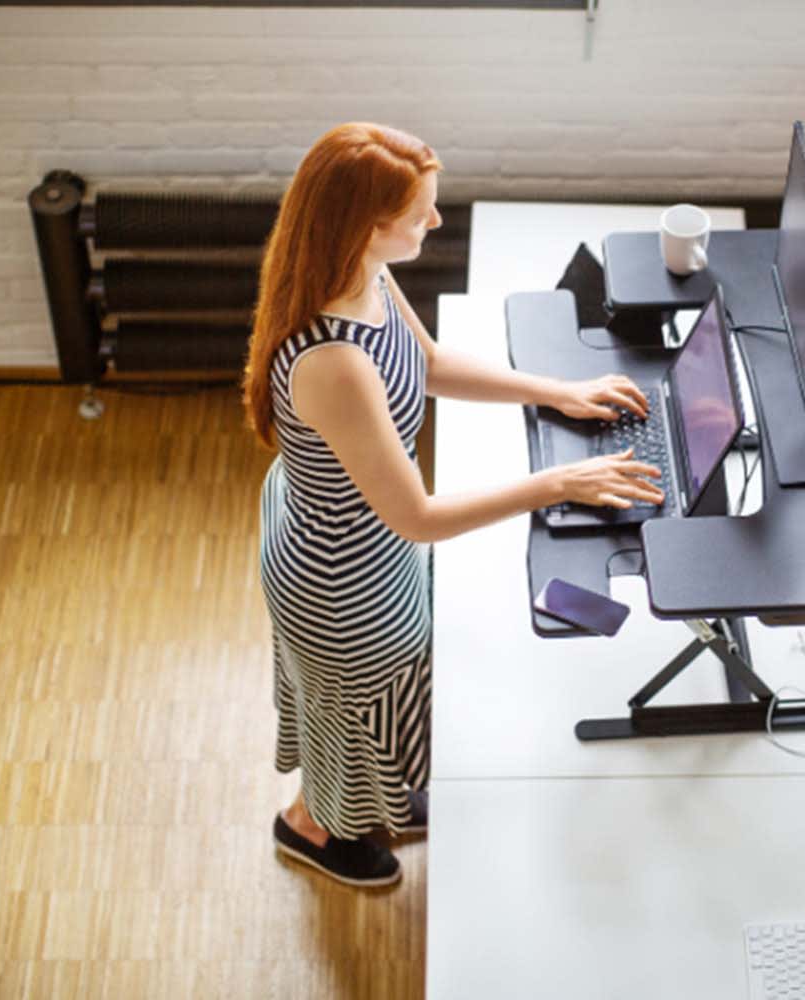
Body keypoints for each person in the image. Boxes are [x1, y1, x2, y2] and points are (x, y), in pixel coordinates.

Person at [241, 123, 663, 886]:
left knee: (373, 707)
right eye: (418, 214)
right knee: (353, 719)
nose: (434, 222)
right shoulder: (334, 363)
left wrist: (555, 391)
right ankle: (312, 829)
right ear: (366, 226)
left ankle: (367, 799)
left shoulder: (363, 274)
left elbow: (428, 365)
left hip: (356, 533)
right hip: (341, 577)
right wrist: (561, 483)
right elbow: (419, 517)